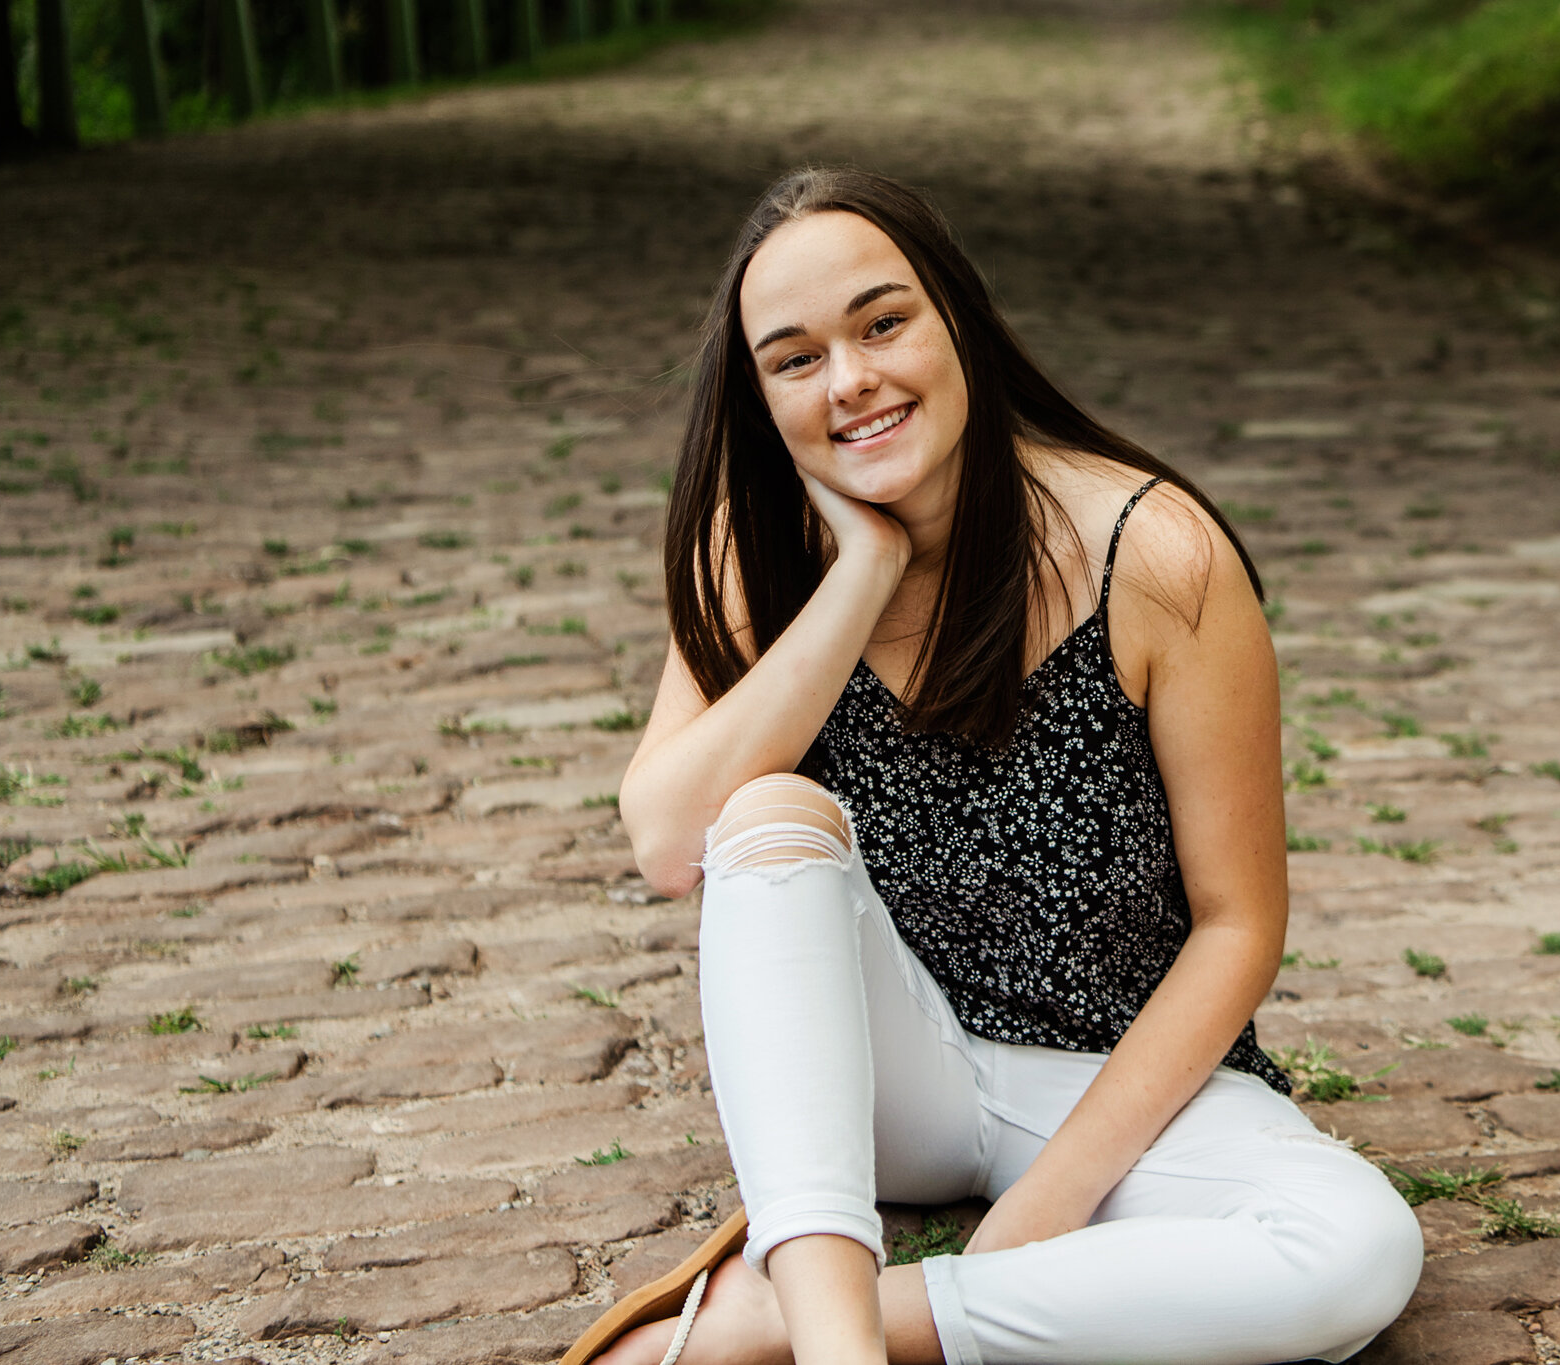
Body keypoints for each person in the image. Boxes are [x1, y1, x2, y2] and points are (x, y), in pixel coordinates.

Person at [564, 167, 1421, 1365]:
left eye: (881, 323)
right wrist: (858, 571)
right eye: (795, 358)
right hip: (880, 1081)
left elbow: (1238, 925)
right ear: (758, 396)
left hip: (1117, 1081)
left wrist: (1039, 1215)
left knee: (1354, 1253)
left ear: (956, 318)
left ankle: (775, 1326)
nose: (851, 378)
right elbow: (668, 839)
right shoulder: (753, 554)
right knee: (764, 815)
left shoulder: (1154, 555)